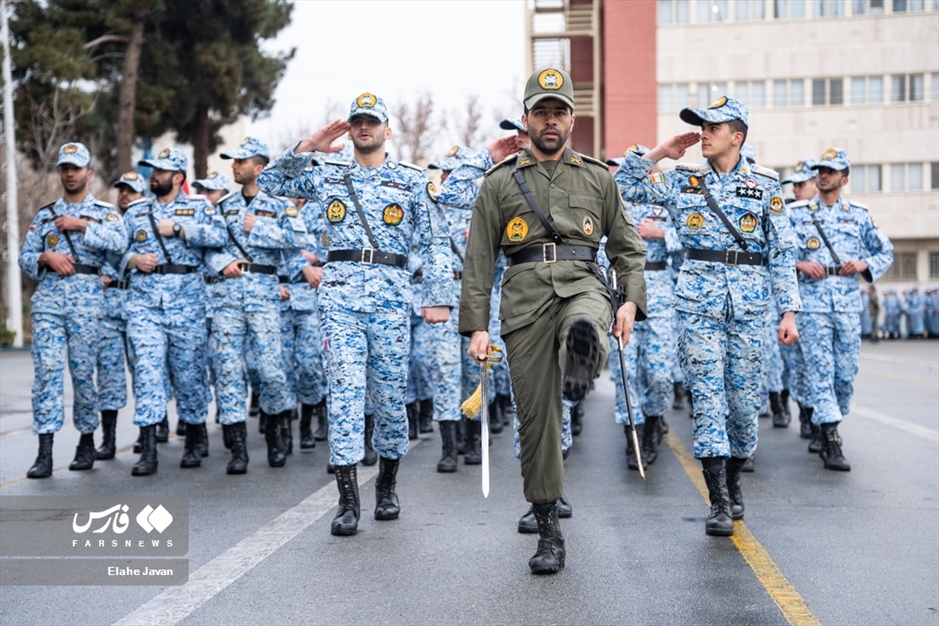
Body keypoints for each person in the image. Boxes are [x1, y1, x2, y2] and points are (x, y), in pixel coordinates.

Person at [460, 68, 648, 574]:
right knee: (536, 419)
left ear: (572, 119)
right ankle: (548, 531)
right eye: (540, 112)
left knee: (585, 321)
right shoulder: (498, 183)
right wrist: (477, 326)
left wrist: (630, 302)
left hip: (583, 281)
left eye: (558, 112)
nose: (550, 120)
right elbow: (479, 259)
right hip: (523, 301)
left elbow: (628, 249)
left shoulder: (598, 177)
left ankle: (580, 362)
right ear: (525, 119)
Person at [258, 92, 452, 537]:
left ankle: (386, 484)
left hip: (390, 299)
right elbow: (269, 181)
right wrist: (308, 145)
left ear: (387, 130)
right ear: (349, 129)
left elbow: (436, 241)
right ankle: (347, 501)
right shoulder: (326, 174)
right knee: (344, 393)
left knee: (389, 399)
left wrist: (436, 296)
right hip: (339, 298)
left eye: (372, 121)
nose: (364, 127)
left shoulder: (410, 181)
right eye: (357, 121)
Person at [616, 96, 801, 537]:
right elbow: (621, 186)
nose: (703, 133)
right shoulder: (683, 180)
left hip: (749, 307)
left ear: (737, 137)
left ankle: (733, 479)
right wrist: (661, 152)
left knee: (743, 405)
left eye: (713, 127)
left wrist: (789, 311)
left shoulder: (765, 184)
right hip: (697, 305)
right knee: (708, 398)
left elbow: (782, 251)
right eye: (701, 126)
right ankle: (717, 498)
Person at [19, 142, 127, 478]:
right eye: (65, 168)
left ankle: (86, 440)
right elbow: (24, 257)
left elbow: (121, 244)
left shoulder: (106, 213)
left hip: (87, 303)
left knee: (82, 375)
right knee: (47, 374)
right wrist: (45, 257)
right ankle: (45, 453)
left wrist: (82, 226)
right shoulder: (46, 215)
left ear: (88, 173)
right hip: (49, 301)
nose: (69, 174)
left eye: (75, 168)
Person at [121, 147, 227, 475]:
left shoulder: (199, 207)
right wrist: (133, 260)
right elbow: (115, 250)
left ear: (178, 177)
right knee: (147, 372)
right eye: (153, 170)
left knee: (189, 373)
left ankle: (194, 438)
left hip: (188, 303)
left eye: (161, 171)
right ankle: (148, 449)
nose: (153, 175)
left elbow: (220, 236)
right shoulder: (136, 212)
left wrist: (181, 229)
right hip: (145, 305)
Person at [205, 136, 307, 472]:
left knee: (269, 370)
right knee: (228, 369)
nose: (234, 166)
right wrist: (222, 262)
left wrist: (259, 227)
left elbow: (298, 240)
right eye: (233, 161)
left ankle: (277, 435)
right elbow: (209, 248)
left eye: (241, 161)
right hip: (227, 297)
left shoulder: (279, 205)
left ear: (259, 168)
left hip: (264, 295)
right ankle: (238, 450)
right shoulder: (223, 207)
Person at [789, 148, 893, 470]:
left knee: (845, 375)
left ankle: (826, 421)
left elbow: (885, 251)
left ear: (844, 179)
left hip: (847, 304)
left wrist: (864, 263)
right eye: (821, 170)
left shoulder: (859, 215)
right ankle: (831, 438)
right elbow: (777, 254)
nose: (823, 175)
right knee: (820, 369)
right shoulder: (797, 214)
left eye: (831, 171)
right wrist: (800, 264)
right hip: (812, 304)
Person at [611, 145, 682, 470]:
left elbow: (693, 238)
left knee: (659, 372)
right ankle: (633, 435)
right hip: (623, 292)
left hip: (660, 295)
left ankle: (653, 422)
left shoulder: (666, 201)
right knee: (626, 370)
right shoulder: (614, 202)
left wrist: (661, 233)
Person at [94, 171, 147, 461]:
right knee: (109, 374)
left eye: (131, 191)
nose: (124, 195)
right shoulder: (106, 222)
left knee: (144, 371)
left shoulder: (147, 223)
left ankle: (149, 432)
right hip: (110, 306)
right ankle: (109, 439)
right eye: (121, 190)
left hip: (139, 303)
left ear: (142, 196)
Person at [781, 159, 820, 437]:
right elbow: (772, 251)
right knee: (797, 363)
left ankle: (821, 418)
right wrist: (799, 264)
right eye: (793, 185)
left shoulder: (839, 214)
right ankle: (807, 415)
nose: (795, 189)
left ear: (816, 184)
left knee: (824, 366)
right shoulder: (786, 213)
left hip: (825, 304)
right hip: (792, 303)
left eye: (801, 184)